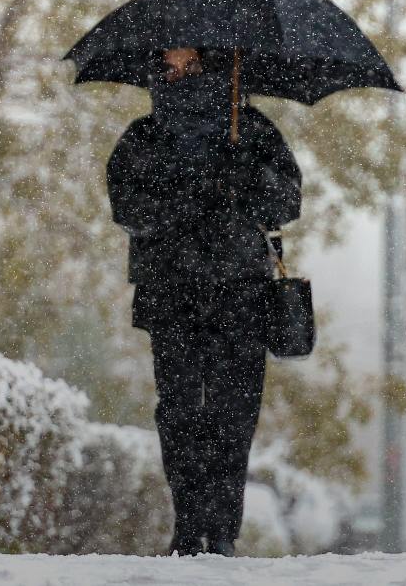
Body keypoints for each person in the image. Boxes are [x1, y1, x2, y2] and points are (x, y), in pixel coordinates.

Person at [106, 47, 302, 556]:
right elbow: (127, 207)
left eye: (188, 67)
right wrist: (184, 194)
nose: (176, 76)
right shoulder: (144, 136)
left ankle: (223, 531)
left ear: (214, 67)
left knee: (233, 415)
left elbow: (287, 202)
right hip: (172, 292)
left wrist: (247, 178)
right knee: (179, 412)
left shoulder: (252, 130)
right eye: (167, 67)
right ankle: (189, 525)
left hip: (241, 292)